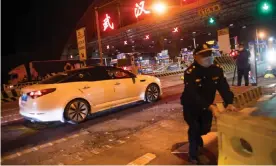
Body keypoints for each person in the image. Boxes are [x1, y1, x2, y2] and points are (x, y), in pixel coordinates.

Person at [180, 44, 237, 164]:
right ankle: (193, 155)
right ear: (196, 57)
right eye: (204, 55)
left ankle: (197, 137)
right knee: (194, 128)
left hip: (207, 106)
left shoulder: (216, 69)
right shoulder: (190, 73)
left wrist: (230, 103)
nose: (208, 57)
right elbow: (193, 94)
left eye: (210, 54)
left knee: (205, 128)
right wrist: (210, 107)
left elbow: (223, 87)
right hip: (191, 106)